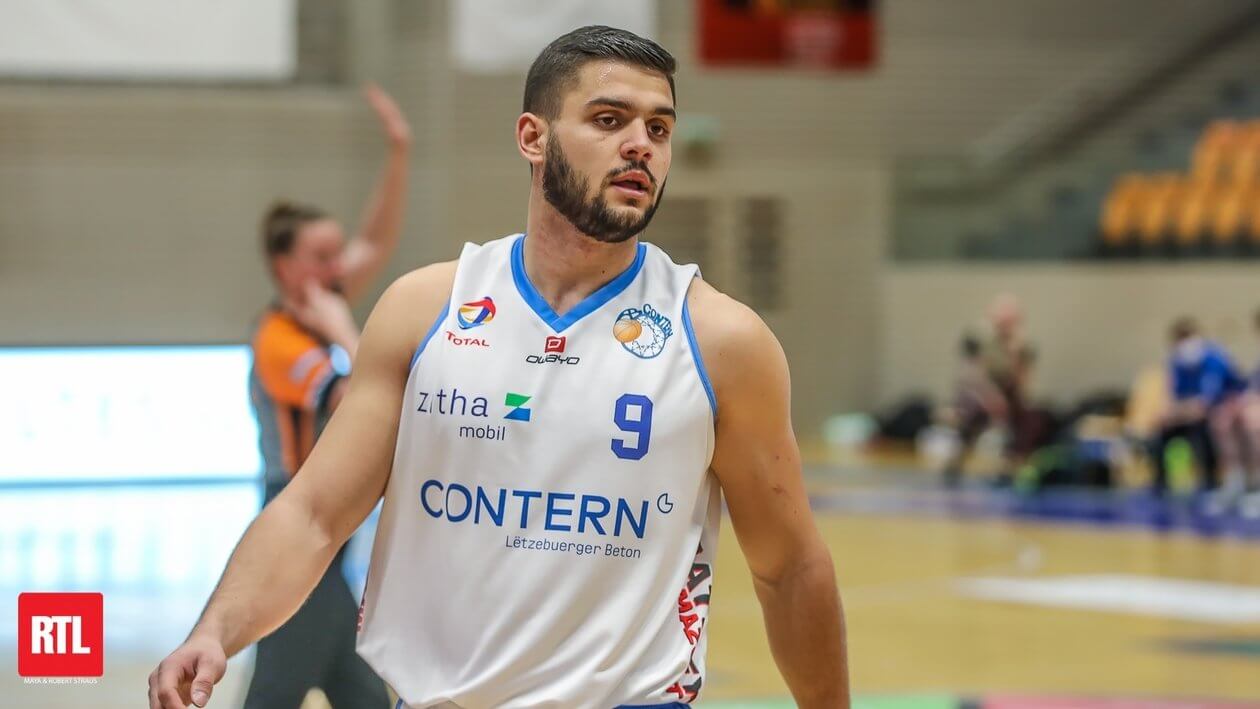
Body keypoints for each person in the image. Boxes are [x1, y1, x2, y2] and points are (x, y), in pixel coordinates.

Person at [150, 26, 847, 709]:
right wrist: (216, 631)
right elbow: (313, 515)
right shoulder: (425, 310)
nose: (641, 144)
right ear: (532, 137)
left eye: (659, 128)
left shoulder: (723, 340)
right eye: (609, 120)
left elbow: (789, 567)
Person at [241, 83, 412, 708]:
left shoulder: (321, 305)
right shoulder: (281, 341)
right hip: (293, 514)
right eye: (321, 257)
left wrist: (399, 152)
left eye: (338, 254)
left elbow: (377, 241)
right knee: (279, 688)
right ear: (284, 267)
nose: (337, 267)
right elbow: (360, 400)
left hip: (329, 527)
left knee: (356, 685)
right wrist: (345, 330)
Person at [1162, 317, 1249, 507]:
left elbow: (1206, 401)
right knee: (1163, 428)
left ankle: (1238, 482)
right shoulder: (1177, 362)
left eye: (1187, 338)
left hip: (1224, 408)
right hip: (1194, 413)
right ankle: (1162, 484)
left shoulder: (1214, 358)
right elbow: (1175, 398)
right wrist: (1174, 413)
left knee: (1221, 424)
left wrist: (1184, 410)